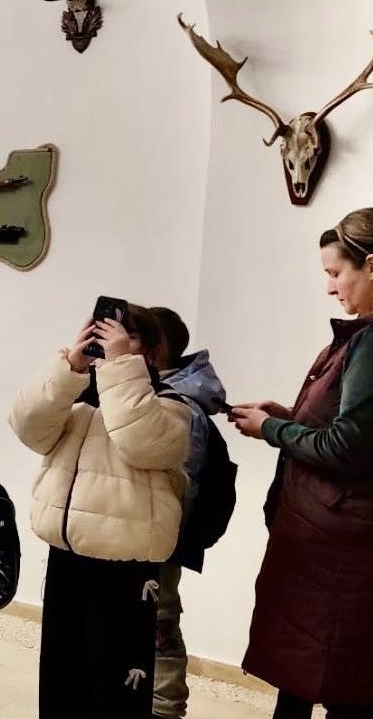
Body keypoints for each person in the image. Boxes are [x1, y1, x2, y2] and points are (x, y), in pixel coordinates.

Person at [228, 208, 373, 719]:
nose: (330, 287)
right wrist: (290, 417)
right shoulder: (366, 336)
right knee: (316, 678)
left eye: (336, 273)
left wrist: (272, 430)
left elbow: (348, 448)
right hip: (336, 543)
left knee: (344, 686)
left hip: (342, 552)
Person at [8, 305, 191, 719]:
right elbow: (26, 426)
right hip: (67, 554)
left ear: (148, 350)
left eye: (126, 336)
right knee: (62, 676)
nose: (109, 341)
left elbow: (143, 443)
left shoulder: (169, 404)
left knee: (114, 686)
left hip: (126, 568)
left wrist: (120, 366)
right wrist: (69, 368)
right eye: (100, 332)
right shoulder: (77, 400)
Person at [146, 307, 230, 719]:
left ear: (156, 347)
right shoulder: (153, 394)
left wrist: (161, 542)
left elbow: (183, 487)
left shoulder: (179, 406)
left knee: (159, 625)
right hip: (143, 536)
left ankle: (165, 708)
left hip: (159, 542)